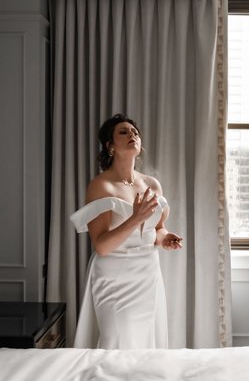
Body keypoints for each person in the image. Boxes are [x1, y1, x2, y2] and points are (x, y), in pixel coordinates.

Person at [70, 113, 182, 349]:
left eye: (135, 132)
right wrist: (135, 219)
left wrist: (165, 238)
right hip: (114, 277)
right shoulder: (101, 186)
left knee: (144, 344)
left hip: (148, 274)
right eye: (124, 132)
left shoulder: (152, 184)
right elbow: (101, 246)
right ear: (110, 146)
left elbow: (157, 229)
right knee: (117, 343)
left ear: (139, 146)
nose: (132, 134)